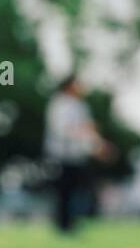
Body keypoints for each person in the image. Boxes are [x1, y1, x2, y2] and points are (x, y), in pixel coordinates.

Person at [44, 74, 108, 233]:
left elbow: (88, 129)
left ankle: (73, 222)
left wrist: (98, 145)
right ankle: (63, 225)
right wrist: (85, 136)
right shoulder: (59, 104)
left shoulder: (80, 106)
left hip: (77, 156)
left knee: (78, 190)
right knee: (63, 192)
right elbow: (63, 130)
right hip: (61, 155)